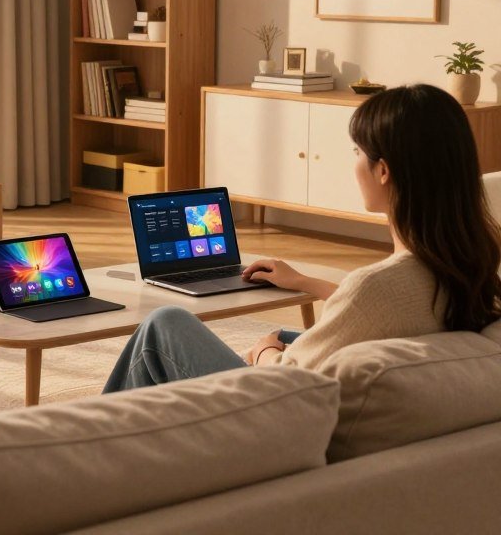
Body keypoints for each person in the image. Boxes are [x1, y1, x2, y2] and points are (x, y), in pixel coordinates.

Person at [103, 84, 501, 393]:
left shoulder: (375, 289)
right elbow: (396, 300)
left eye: (357, 151)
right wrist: (307, 283)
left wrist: (266, 354)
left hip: (273, 420)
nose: (354, 163)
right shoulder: (472, 264)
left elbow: (286, 385)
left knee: (163, 325)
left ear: (384, 171)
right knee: (295, 335)